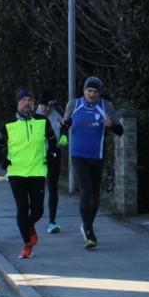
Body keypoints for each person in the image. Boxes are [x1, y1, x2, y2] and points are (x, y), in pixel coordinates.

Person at [60, 77, 123, 249]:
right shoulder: (74, 105)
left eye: (95, 91)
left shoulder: (106, 106)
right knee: (86, 190)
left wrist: (111, 125)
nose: (92, 94)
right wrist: (64, 134)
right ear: (84, 91)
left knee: (95, 193)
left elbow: (120, 130)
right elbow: (65, 123)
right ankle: (89, 231)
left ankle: (88, 224)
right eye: (89, 91)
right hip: (78, 154)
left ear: (99, 93)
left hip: (97, 155)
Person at [0, 87, 57, 260]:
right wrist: (3, 160)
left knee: (38, 210)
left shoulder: (42, 122)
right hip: (16, 173)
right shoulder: (8, 124)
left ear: (33, 104)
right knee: (22, 209)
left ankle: (29, 225)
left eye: (30, 100)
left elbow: (52, 140)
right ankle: (27, 245)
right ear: (17, 103)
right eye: (23, 100)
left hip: (37, 171)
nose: (27, 103)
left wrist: (52, 154)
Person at [37, 96, 64, 233]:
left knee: (53, 188)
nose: (48, 109)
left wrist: (64, 135)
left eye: (50, 106)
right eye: (45, 106)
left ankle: (52, 222)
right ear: (39, 104)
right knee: (37, 189)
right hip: (36, 157)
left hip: (53, 154)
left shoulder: (57, 113)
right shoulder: (33, 115)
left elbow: (66, 123)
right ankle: (32, 219)